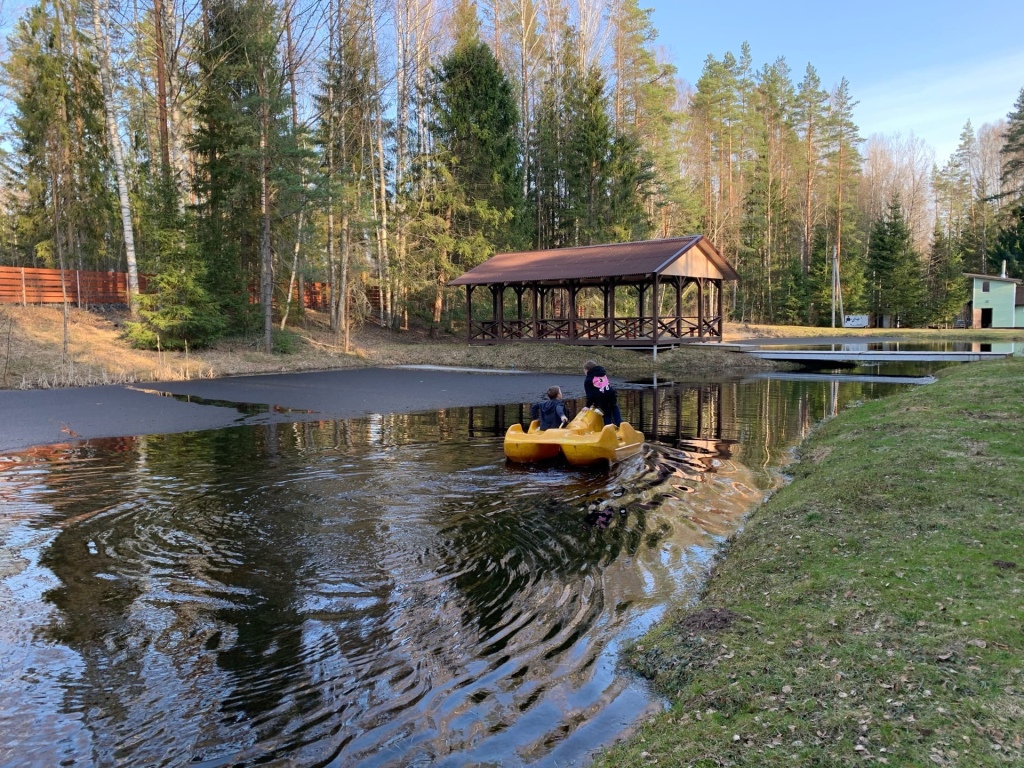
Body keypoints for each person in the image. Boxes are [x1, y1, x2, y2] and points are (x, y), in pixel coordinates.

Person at [582, 360, 622, 426]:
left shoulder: (589, 379)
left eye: (584, 370)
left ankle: (608, 427)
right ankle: (619, 423)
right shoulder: (602, 373)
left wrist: (587, 406)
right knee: (614, 407)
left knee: (606, 412)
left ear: (587, 370)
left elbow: (590, 395)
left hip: (601, 397)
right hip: (611, 393)